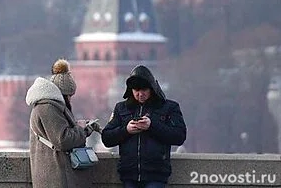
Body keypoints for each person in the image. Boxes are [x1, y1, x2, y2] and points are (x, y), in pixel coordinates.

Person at [101, 65, 187, 188]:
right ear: (130, 90)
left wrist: (152, 126)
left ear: (151, 89)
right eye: (136, 90)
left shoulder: (169, 107)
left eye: (144, 90)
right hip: (129, 174)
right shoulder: (121, 108)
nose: (140, 94)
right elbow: (107, 138)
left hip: (156, 174)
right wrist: (126, 130)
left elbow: (179, 136)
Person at [26, 59, 101, 187]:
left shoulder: (49, 106)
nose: (70, 99)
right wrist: (79, 128)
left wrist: (85, 129)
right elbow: (63, 140)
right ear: (62, 94)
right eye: (69, 96)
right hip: (56, 177)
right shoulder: (48, 108)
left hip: (56, 176)